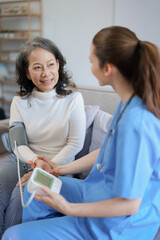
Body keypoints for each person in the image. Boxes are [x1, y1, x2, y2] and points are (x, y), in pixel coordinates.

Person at [3, 25, 160, 240]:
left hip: (119, 224)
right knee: (34, 186)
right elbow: (105, 151)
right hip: (95, 191)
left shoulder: (138, 123)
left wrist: (67, 208)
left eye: (91, 61)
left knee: (13, 235)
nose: (90, 67)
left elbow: (130, 205)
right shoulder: (126, 105)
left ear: (108, 68)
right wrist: (58, 169)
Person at [0, 37, 86, 238]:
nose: (46, 73)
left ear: (58, 65)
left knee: (18, 199)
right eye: (37, 67)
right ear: (27, 73)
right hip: (23, 160)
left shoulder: (73, 99)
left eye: (50, 65)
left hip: (60, 165)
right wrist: (36, 161)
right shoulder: (18, 103)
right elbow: (18, 143)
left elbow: (75, 143)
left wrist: (48, 167)